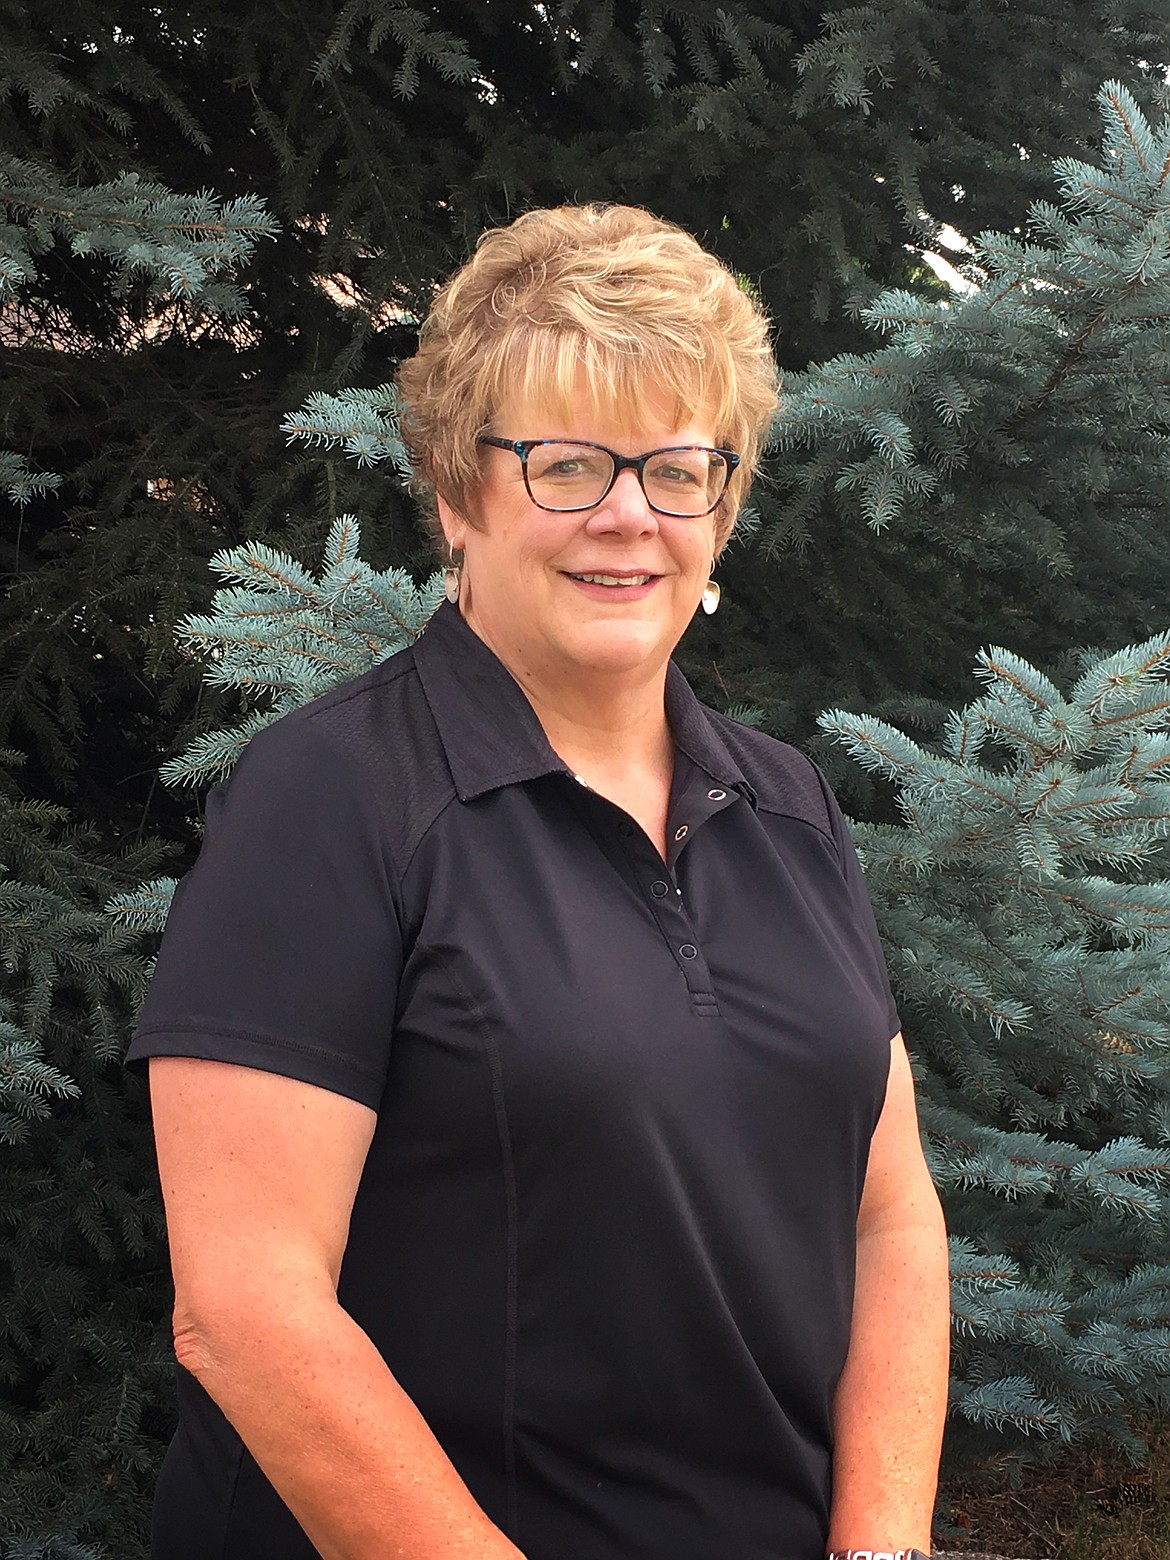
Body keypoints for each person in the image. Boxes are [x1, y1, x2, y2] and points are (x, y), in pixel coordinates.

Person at [127, 203, 949, 1560]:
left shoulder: (787, 804)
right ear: (458, 492)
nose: (628, 515)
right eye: (565, 463)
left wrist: (876, 1550)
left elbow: (887, 1210)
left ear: (723, 505)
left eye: (680, 467)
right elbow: (248, 1308)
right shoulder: (331, 799)